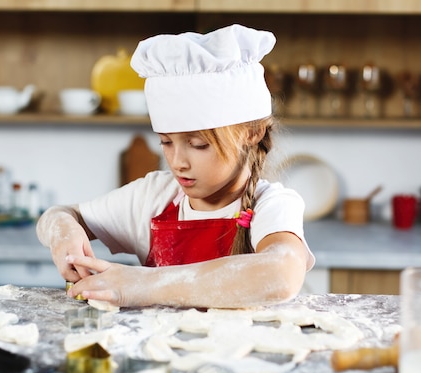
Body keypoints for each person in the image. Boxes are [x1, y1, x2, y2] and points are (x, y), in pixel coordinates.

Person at [36, 24, 315, 309]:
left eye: (198, 145)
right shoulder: (153, 197)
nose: (177, 162)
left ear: (251, 134)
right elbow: (60, 214)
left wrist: (139, 284)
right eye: (166, 143)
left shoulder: (271, 204)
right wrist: (64, 231)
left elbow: (281, 273)